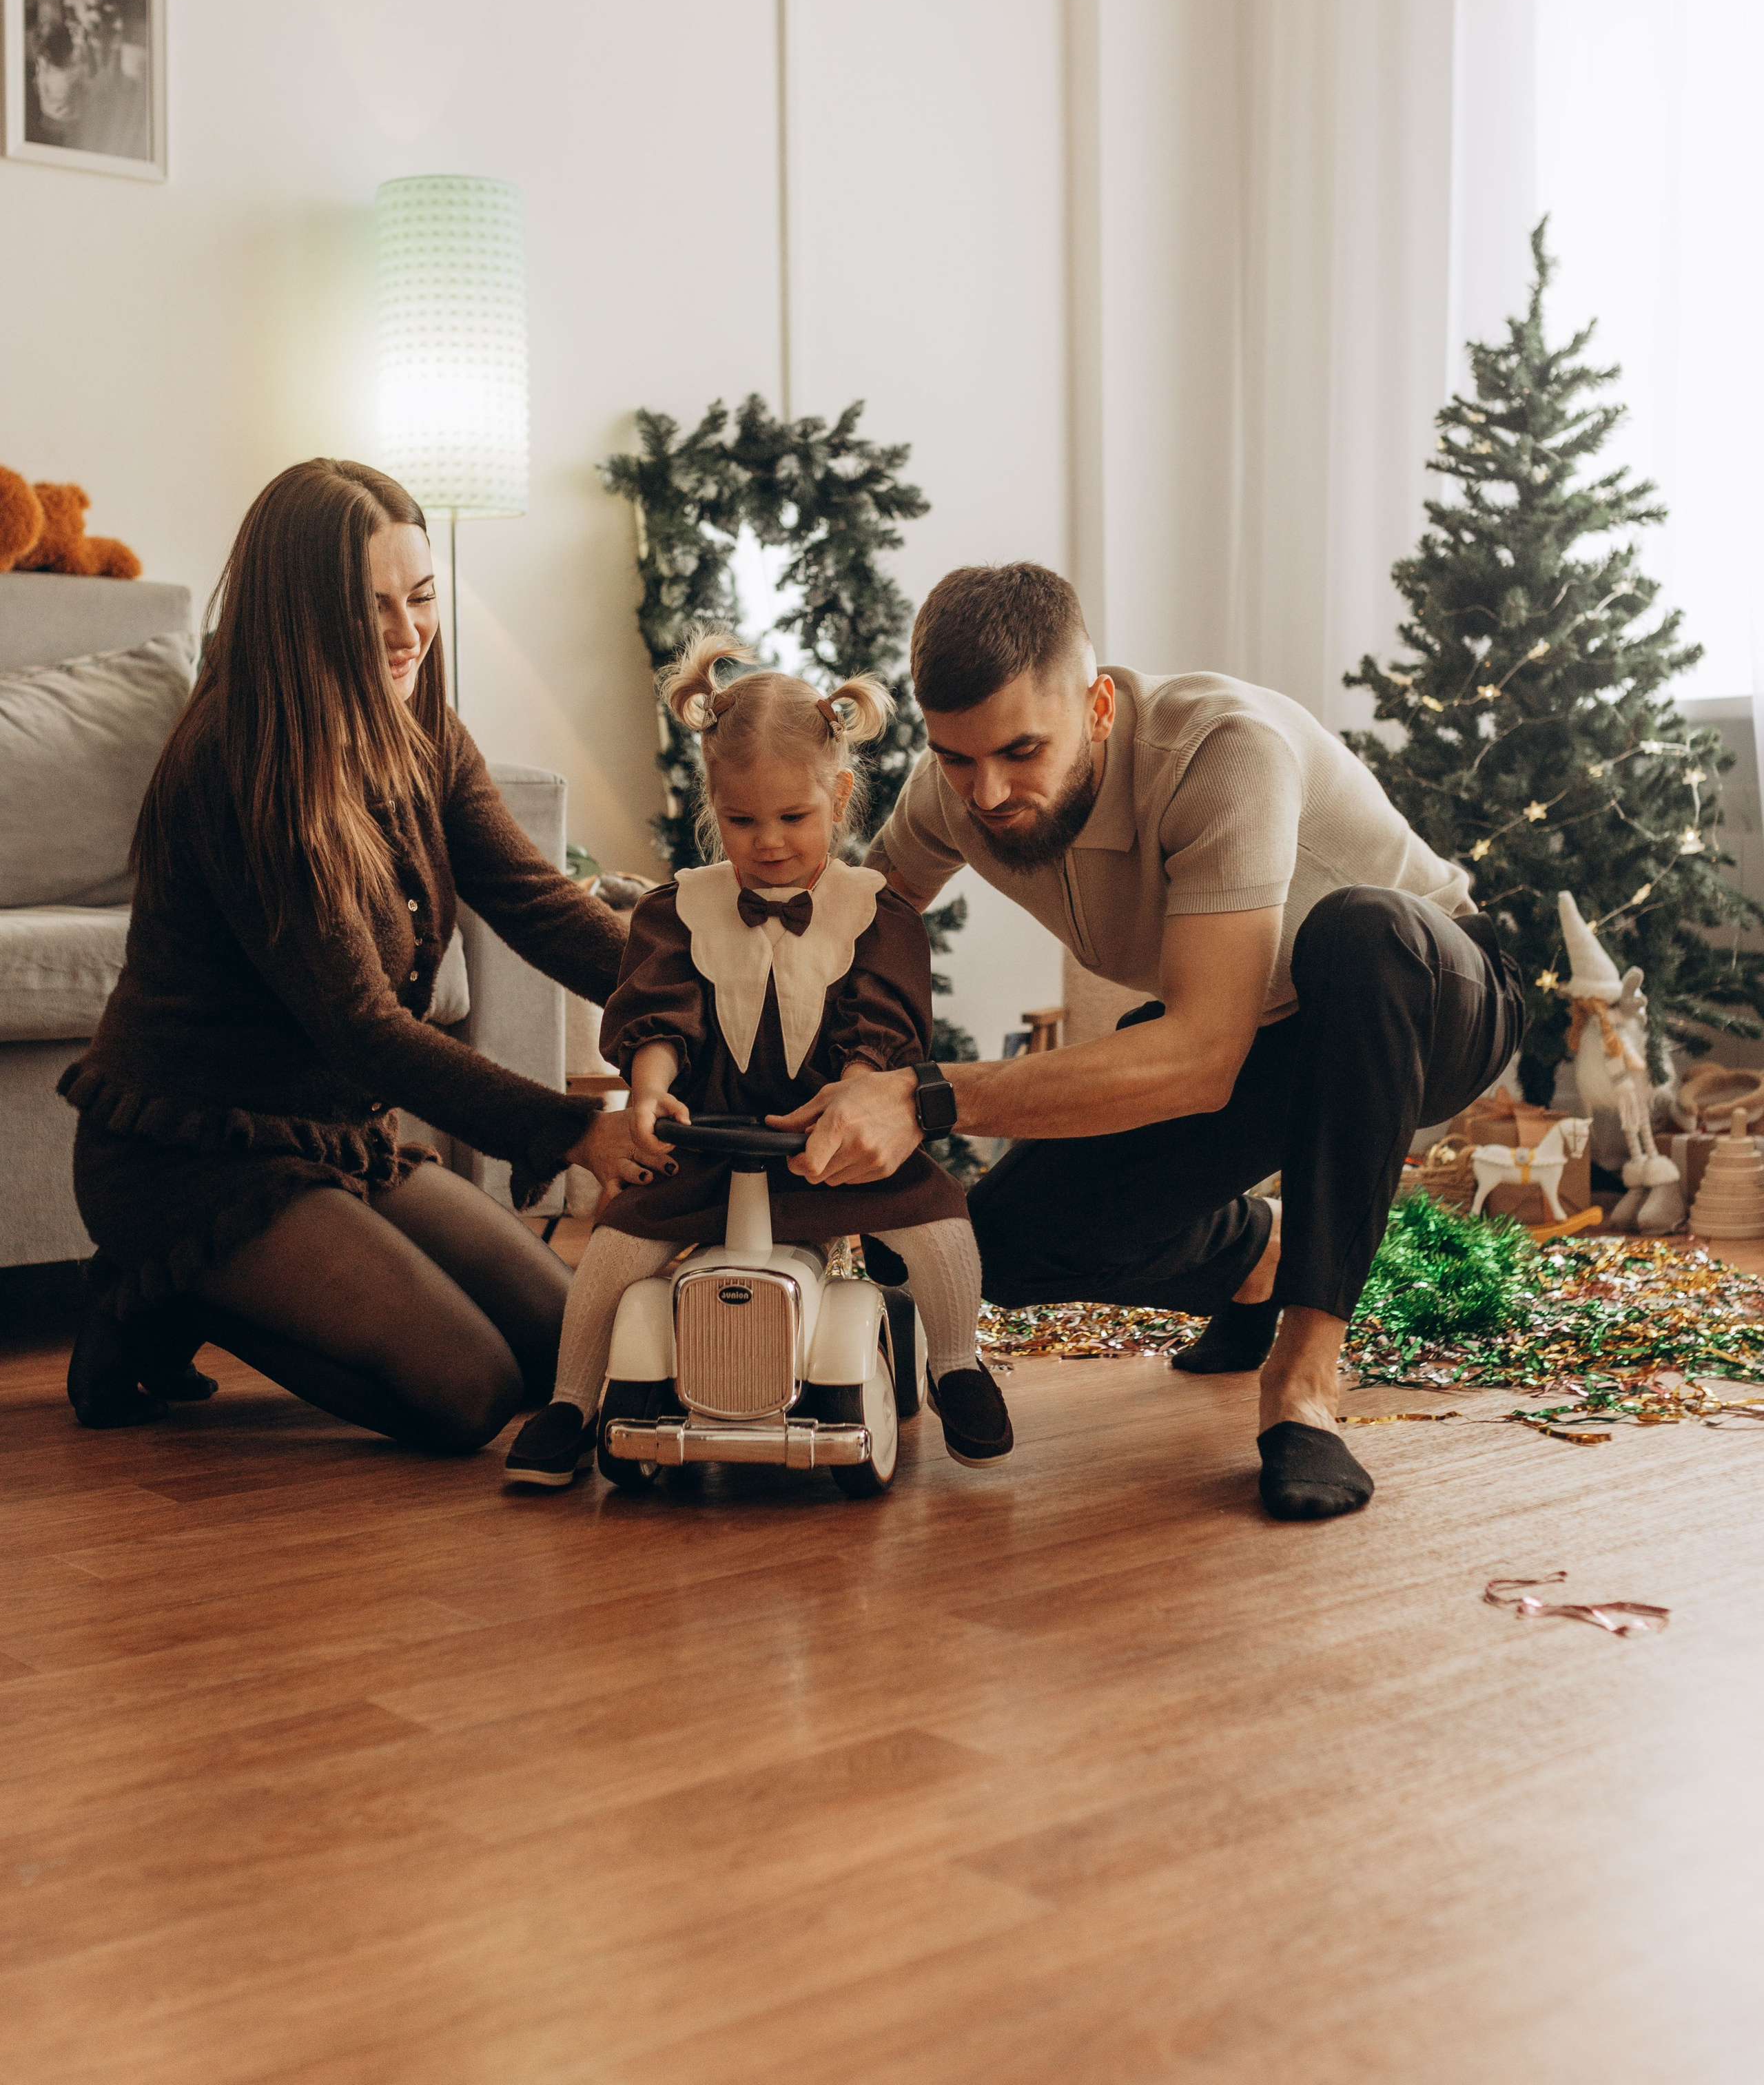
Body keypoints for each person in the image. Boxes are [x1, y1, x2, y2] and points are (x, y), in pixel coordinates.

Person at [768, 564, 1524, 1523]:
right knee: (1001, 1244)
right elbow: (868, 923)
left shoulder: (1220, 752)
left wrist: (925, 1096)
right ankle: (1257, 1258)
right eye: (956, 758)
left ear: (1097, 705)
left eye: (1021, 750)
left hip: (1426, 1001)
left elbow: (1202, 1058)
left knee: (1358, 931)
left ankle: (1306, 1378)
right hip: (1261, 1033)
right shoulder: (952, 793)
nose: (987, 792)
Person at [62, 459, 648, 1454]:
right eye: (368, 606)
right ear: (297, 613)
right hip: (185, 1157)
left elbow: (538, 904)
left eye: (420, 598)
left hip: (332, 1142)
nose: (407, 631)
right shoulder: (244, 765)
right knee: (466, 1394)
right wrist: (577, 1129)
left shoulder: (419, 726)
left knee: (572, 1347)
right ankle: (150, 1296)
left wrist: (707, 986)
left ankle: (189, 1288)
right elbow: (364, 1028)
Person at [504, 631, 1013, 1488]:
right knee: (614, 1250)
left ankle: (956, 1361)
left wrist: (855, 1098)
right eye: (741, 821)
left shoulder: (875, 913)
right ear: (713, 806)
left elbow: (880, 1027)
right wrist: (652, 1090)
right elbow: (664, 1013)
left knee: (938, 1221)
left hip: (834, 1148)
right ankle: (571, 1401)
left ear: (838, 795)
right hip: (709, 1144)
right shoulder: (680, 910)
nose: (768, 842)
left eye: (792, 817)